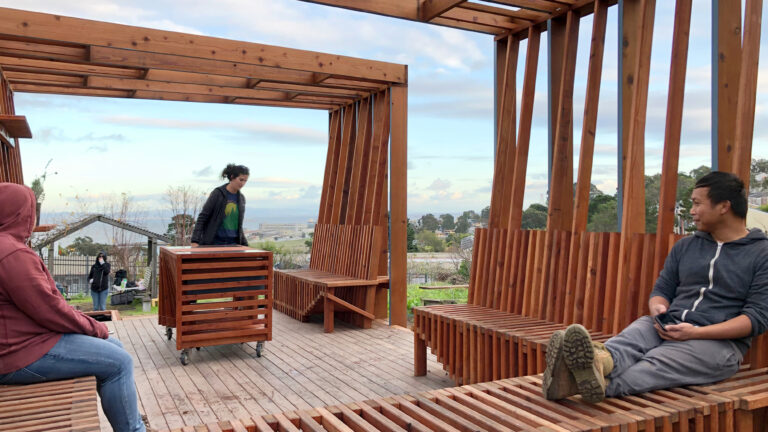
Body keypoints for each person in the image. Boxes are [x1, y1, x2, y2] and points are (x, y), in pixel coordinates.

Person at [543, 171, 768, 403]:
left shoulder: (761, 254)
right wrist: (658, 309)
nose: (691, 211)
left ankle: (584, 382)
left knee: (658, 361)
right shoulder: (686, 247)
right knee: (633, 336)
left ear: (723, 206)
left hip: (717, 345)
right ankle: (599, 360)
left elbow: (756, 319)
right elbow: (662, 290)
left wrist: (696, 333)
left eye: (697, 203)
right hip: (667, 326)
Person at [0, 182, 146, 432]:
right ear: (21, 214)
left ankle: (129, 419)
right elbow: (50, 311)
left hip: (20, 342)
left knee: (115, 347)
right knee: (119, 362)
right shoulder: (11, 253)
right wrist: (94, 327)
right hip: (18, 354)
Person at [191, 164, 249, 247]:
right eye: (241, 180)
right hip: (215, 242)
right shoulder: (218, 193)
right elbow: (203, 217)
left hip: (234, 244)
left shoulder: (241, 199)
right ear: (232, 177)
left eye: (245, 181)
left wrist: (245, 244)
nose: (243, 183)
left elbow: (238, 225)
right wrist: (195, 240)